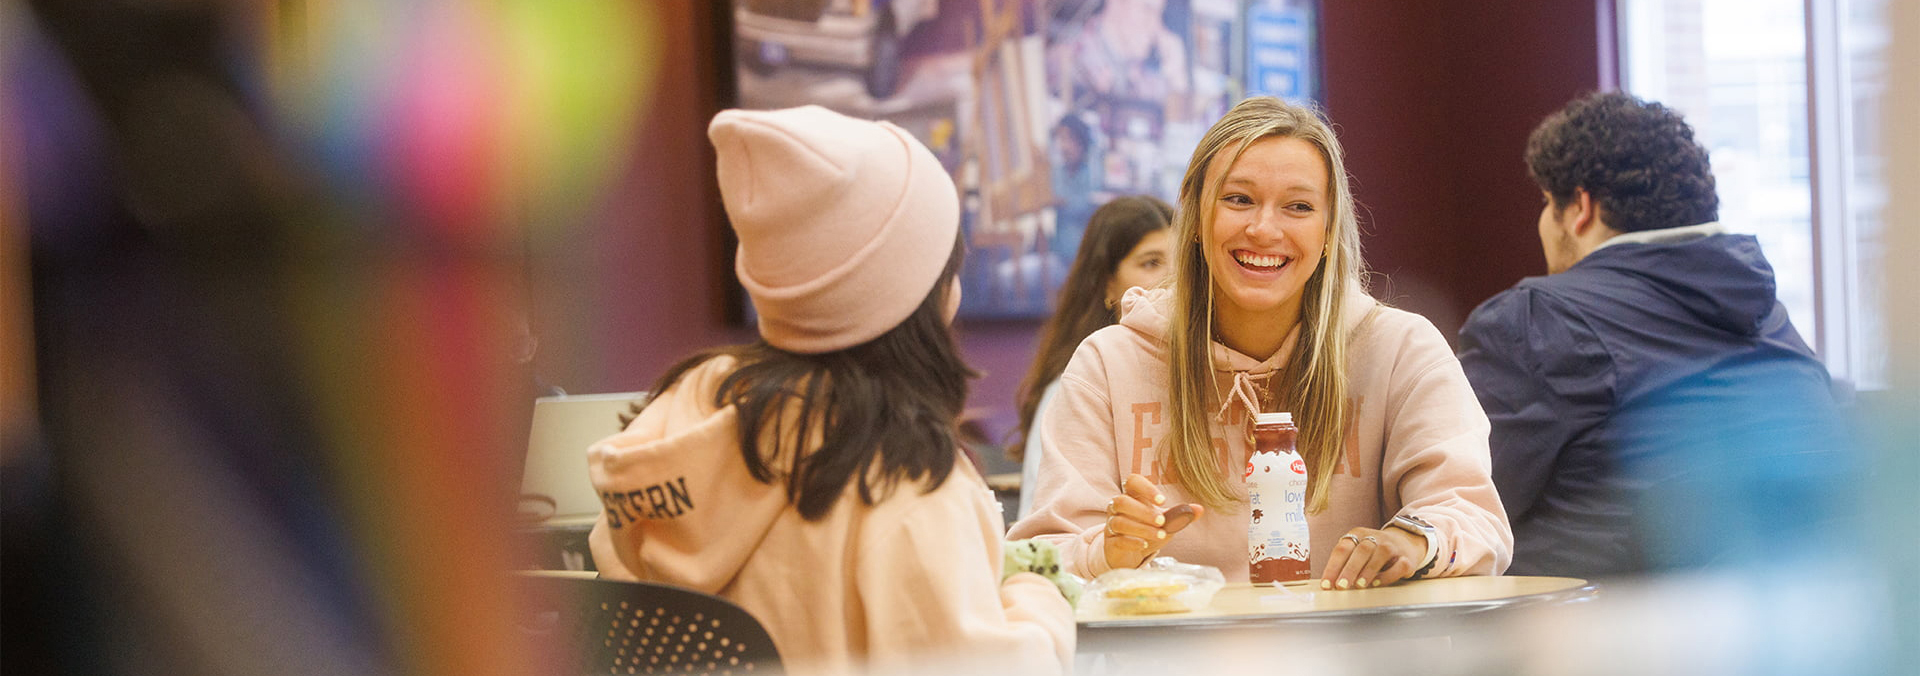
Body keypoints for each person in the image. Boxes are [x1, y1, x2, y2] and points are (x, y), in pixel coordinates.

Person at [586, 105, 1073, 675]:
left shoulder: (675, 427)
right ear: (919, 297)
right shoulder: (904, 484)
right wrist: (1036, 598)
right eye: (949, 271)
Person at [1008, 97, 1512, 591]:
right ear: (1195, 219)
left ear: (1329, 228)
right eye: (1238, 199)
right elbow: (1041, 558)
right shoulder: (1107, 364)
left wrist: (1411, 541)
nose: (1264, 229)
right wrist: (1106, 551)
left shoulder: (1402, 349)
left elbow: (1473, 517)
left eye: (1298, 206)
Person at [1456, 92, 1847, 579]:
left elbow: (1458, 513)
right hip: (1801, 628)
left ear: (1580, 207)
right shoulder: (1770, 316)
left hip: (1594, 638)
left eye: (1544, 203)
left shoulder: (1536, 322)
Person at [1012, 194, 1175, 518]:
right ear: (1107, 283)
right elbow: (1045, 527)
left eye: (1183, 263)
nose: (1172, 278)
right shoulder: (1078, 383)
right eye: (1151, 263)